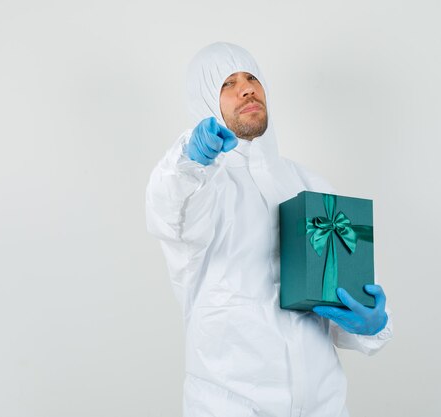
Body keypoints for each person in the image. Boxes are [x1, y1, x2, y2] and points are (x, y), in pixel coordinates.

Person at [145, 42, 393, 417]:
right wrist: (192, 160)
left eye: (252, 78)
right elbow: (170, 212)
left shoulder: (311, 186)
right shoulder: (199, 189)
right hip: (229, 405)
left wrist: (372, 323)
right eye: (227, 83)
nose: (246, 88)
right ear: (204, 103)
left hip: (323, 404)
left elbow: (343, 309)